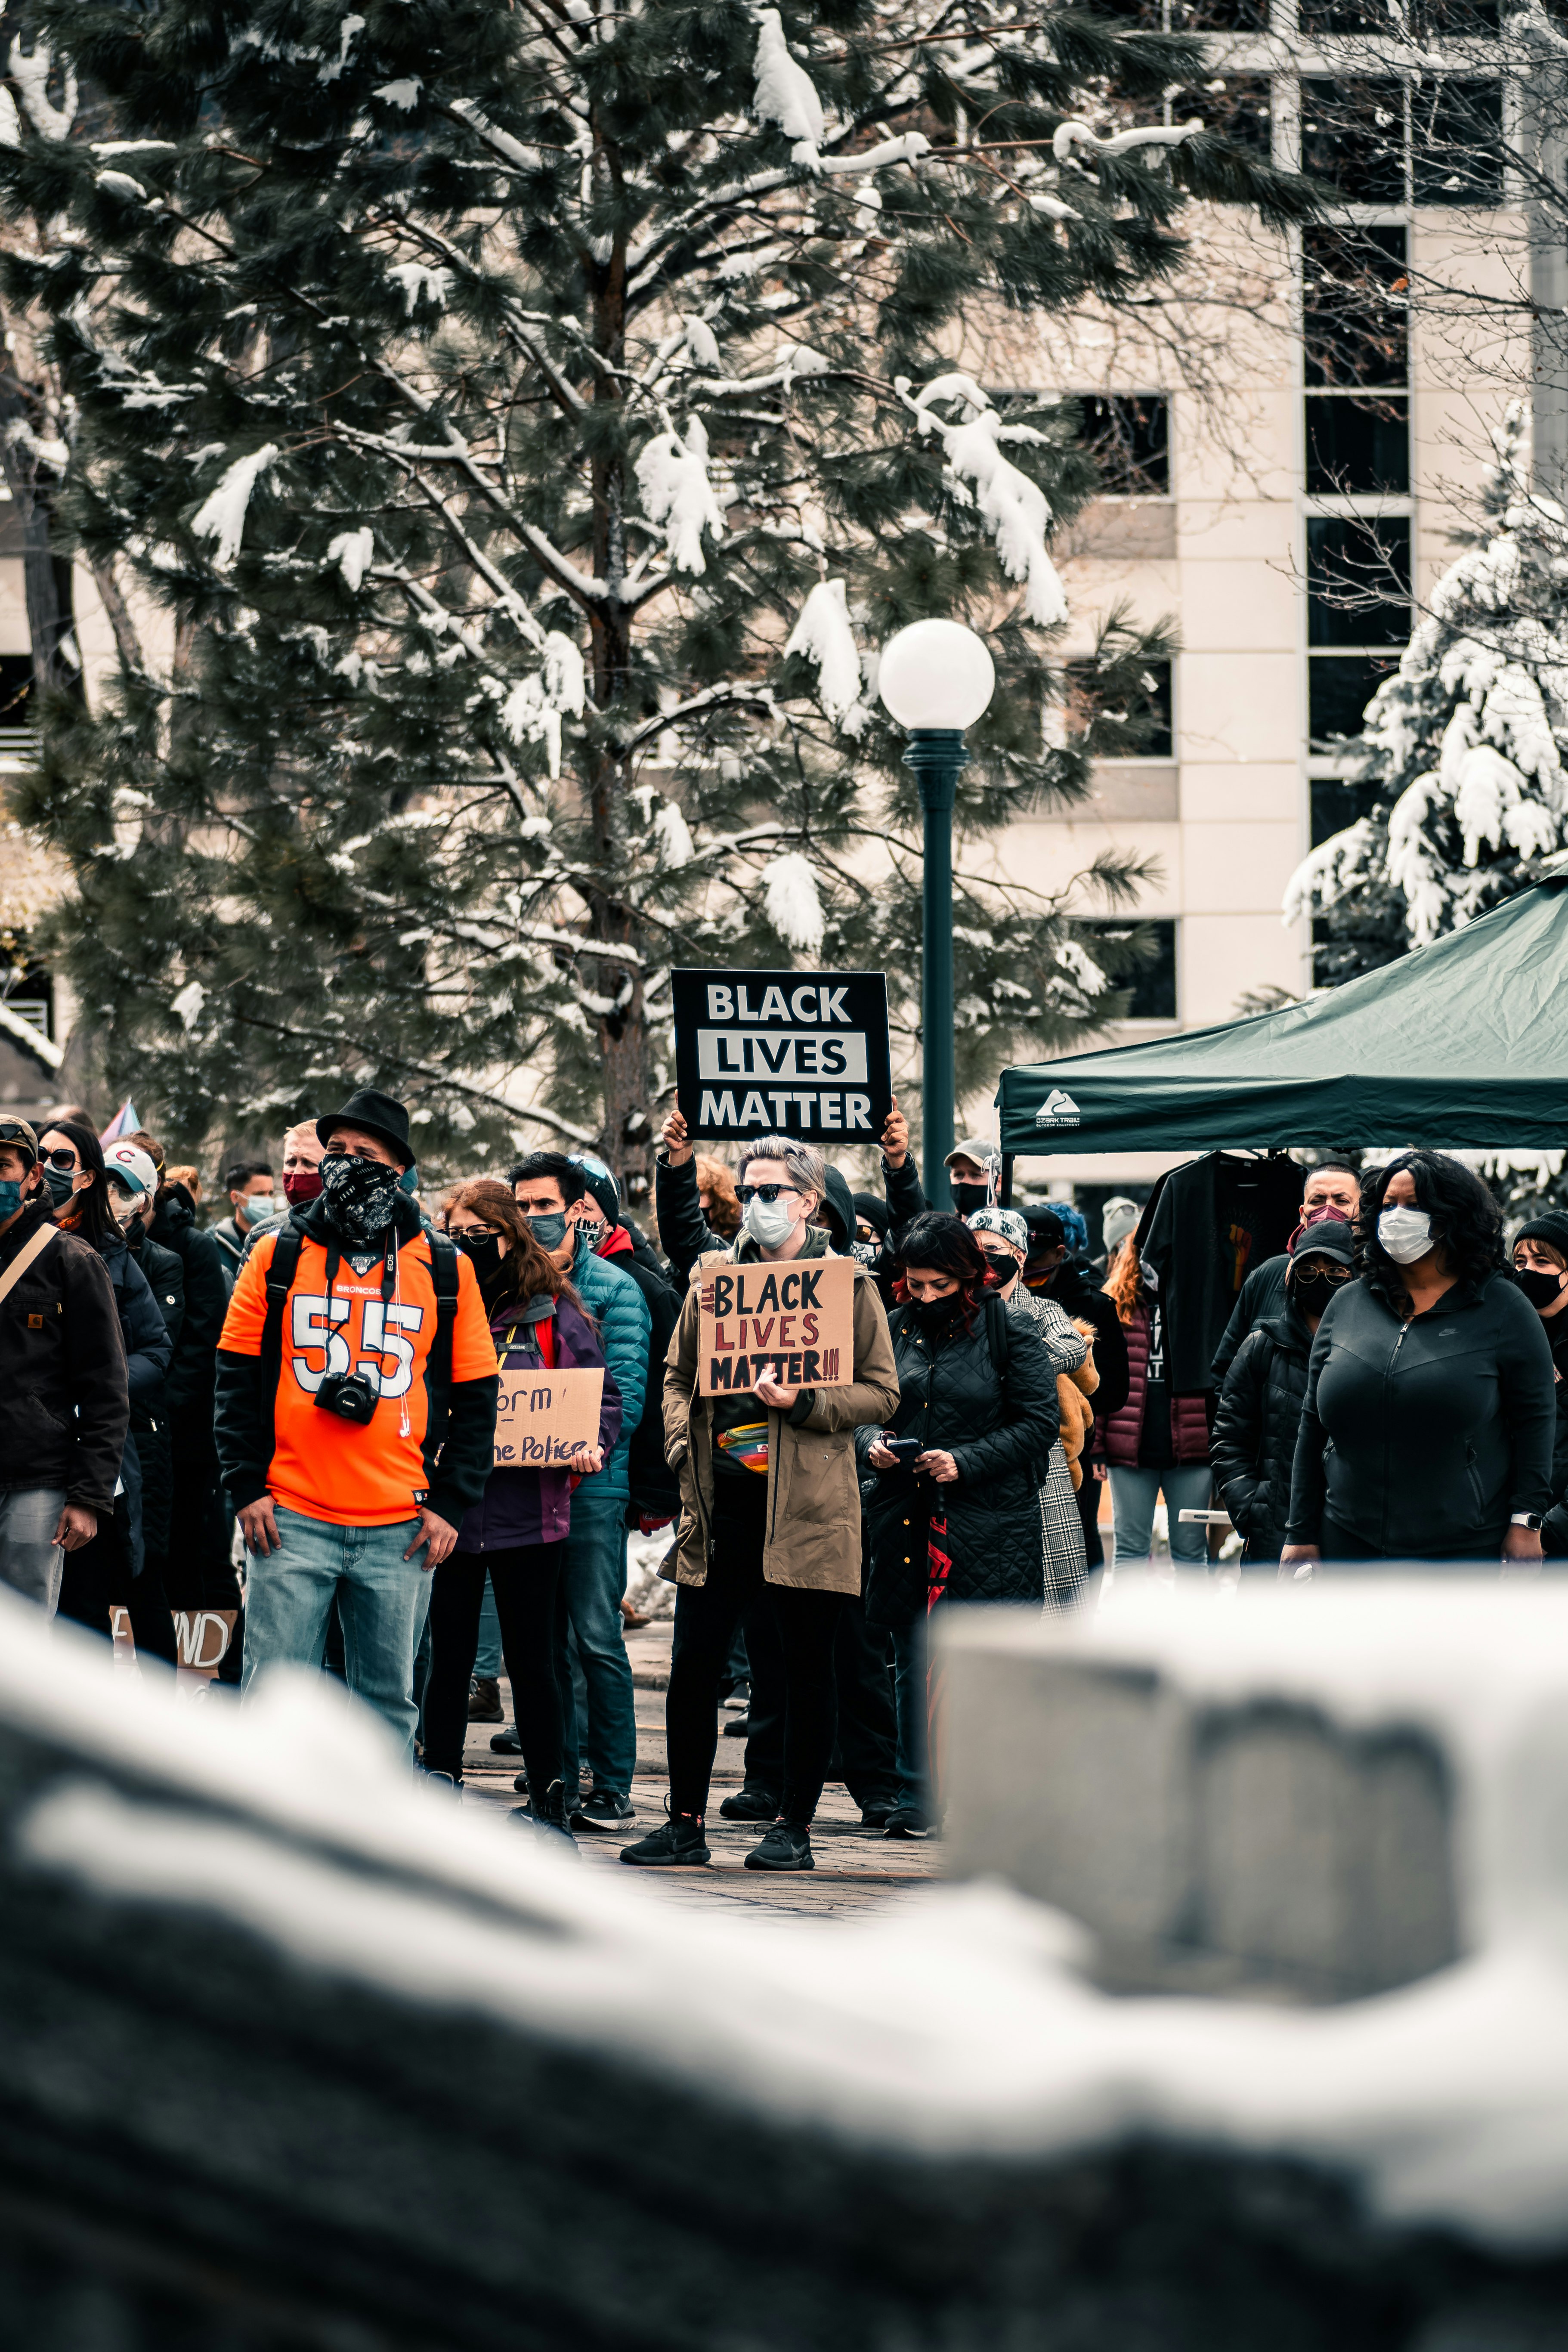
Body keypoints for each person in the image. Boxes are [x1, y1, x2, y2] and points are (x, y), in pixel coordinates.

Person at [624, 1135, 899, 1872]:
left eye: (771, 1191)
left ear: (809, 1200)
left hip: (807, 1508)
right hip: (722, 1506)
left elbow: (881, 1389)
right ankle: (683, 1822)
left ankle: (793, 1826)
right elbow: (676, 1374)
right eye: (747, 1191)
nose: (755, 1204)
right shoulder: (714, 1279)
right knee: (694, 1670)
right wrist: (684, 1448)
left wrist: (805, 1402)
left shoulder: (848, 1287)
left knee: (806, 1670)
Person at [215, 1089, 500, 1751]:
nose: (343, 1165)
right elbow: (231, 1378)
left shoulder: (446, 1267)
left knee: (384, 1710)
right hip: (289, 1522)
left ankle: (378, 1845)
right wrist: (246, 1488)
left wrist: (451, 1504)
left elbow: (478, 1397)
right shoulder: (276, 1254)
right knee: (272, 1703)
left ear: (398, 1170)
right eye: (334, 1152)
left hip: (399, 1530)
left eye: (362, 1154)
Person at [420, 1182, 621, 1834]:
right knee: (445, 1660)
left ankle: (548, 1796)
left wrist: (590, 1443)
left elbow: (602, 1400)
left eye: (478, 1234)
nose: (466, 1245)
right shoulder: (436, 1303)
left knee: (535, 1664)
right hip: (449, 1512)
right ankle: (439, 1784)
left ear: (510, 1235)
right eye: (454, 1233)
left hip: (529, 1515)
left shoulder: (555, 1315)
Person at [859, 1213, 1059, 1837]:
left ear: (967, 1278)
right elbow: (861, 1408)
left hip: (988, 1522)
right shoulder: (892, 1331)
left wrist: (964, 1461)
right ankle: (916, 1797)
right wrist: (872, 1442)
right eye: (914, 1286)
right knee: (910, 1658)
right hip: (905, 1517)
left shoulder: (1011, 1330)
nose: (924, 1298)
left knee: (986, 1662)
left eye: (938, 1286)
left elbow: (1037, 1424)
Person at [1282, 1155, 1556, 1568]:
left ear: (1450, 1218)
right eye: (1388, 1206)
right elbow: (1312, 1423)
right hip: (1346, 1540)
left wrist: (1526, 1521)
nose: (1396, 1217)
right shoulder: (1348, 1302)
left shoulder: (1503, 1306)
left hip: (1460, 1550)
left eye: (1412, 1206)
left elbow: (1536, 1420)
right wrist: (1299, 1531)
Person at [510, 1149, 649, 1833]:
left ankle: (611, 1783)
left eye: (544, 1205)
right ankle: (555, 1775)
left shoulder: (615, 1289)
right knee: (541, 1644)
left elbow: (627, 1394)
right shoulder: (504, 1288)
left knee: (595, 1638)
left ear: (575, 1210)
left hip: (593, 1488)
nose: (534, 1217)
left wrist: (591, 1443)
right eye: (523, 1206)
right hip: (524, 1489)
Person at [42, 1122, 176, 1658]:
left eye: (63, 1158)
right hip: (27, 1450)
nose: (50, 1169)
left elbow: (158, 1351)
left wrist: (99, 1388)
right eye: (42, 1156)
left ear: (86, 1175)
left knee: (100, 1597)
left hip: (101, 1455)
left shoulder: (113, 1254)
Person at [0, 1117, 127, 1612]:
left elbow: (106, 1389)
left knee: (24, 1646)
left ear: (33, 1175)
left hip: (37, 1484)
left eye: (2, 1166)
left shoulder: (72, 1260)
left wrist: (90, 1496)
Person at [145, 1134, 244, 1680]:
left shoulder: (195, 1247)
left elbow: (203, 1344)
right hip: (129, 1436)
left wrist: (155, 1411)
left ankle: (214, 1673)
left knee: (195, 1552)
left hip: (184, 1436)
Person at [1211, 1218, 1355, 1567]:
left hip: (1351, 1535)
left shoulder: (1370, 1349)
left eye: (1335, 1272)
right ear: (1291, 1278)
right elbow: (1229, 1439)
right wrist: (1253, 1511)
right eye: (1308, 1271)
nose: (1321, 1281)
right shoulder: (1261, 1346)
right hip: (1274, 1536)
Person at [969, 1207, 1093, 1605]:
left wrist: (1007, 1363)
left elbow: (1072, 1346)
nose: (982, 1257)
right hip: (973, 1447)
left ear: (1019, 1256)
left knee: (1053, 1572)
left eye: (992, 1248)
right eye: (972, 1248)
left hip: (1035, 1458)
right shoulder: (959, 1307)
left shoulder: (1042, 1310)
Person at [105, 1142, 186, 1633]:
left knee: (145, 1575)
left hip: (143, 1433)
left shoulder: (162, 1263)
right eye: (109, 1183)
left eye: (127, 1187)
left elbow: (159, 1350)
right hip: (90, 1437)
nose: (115, 1196)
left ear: (146, 1199)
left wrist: (94, 1385)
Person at [1022, 1207, 1129, 1568]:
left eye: (1036, 1260)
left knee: (1077, 1536)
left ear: (1060, 1253)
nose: (1027, 1268)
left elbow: (1115, 1391)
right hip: (1015, 1436)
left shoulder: (1095, 1306)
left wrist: (1068, 1382)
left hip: (1074, 1442)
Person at [1101, 1234, 1212, 1569]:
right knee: (1130, 1549)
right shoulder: (1118, 1303)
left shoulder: (1200, 1301)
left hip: (1193, 1446)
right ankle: (1128, 1624)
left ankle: (1193, 1625)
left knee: (1191, 1552)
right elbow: (1101, 1380)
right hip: (1129, 1445)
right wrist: (1095, 1446)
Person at [1211, 1158, 1364, 1389]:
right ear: (1303, 1213)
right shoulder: (1267, 1275)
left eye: (1341, 1201)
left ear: (1362, 1212)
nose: (1328, 1209)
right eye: (1318, 1200)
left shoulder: (1375, 1280)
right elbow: (1226, 1375)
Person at [1513, 1213, 1568, 1557]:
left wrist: (1547, 1534)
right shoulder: (1511, 1337)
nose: (1527, 1271)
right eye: (1520, 1261)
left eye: (1542, 1261)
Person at [212, 1157, 277, 1278]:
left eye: (271, 1194)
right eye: (260, 1194)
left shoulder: (280, 1239)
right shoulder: (213, 1244)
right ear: (235, 1197)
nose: (268, 1200)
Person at [943, 1139, 998, 1219]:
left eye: (975, 1175)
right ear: (951, 1178)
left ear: (998, 1182)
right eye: (958, 1175)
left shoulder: (1018, 1228)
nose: (964, 1182)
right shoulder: (944, 1230)